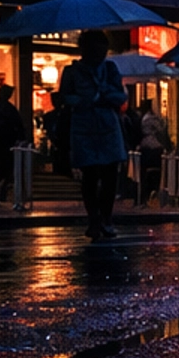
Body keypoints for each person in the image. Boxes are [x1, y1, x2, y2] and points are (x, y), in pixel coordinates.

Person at [59, 28, 128, 240]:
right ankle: (94, 220)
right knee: (89, 176)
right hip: (84, 126)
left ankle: (106, 218)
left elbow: (120, 95)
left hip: (107, 125)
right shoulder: (72, 71)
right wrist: (81, 100)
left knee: (109, 175)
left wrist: (105, 93)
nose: (100, 54)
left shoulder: (110, 69)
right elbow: (63, 97)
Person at [136, 100, 169, 204]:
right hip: (156, 148)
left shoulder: (143, 120)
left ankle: (143, 197)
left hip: (145, 148)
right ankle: (154, 193)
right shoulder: (156, 119)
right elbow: (162, 132)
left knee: (143, 173)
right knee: (157, 172)